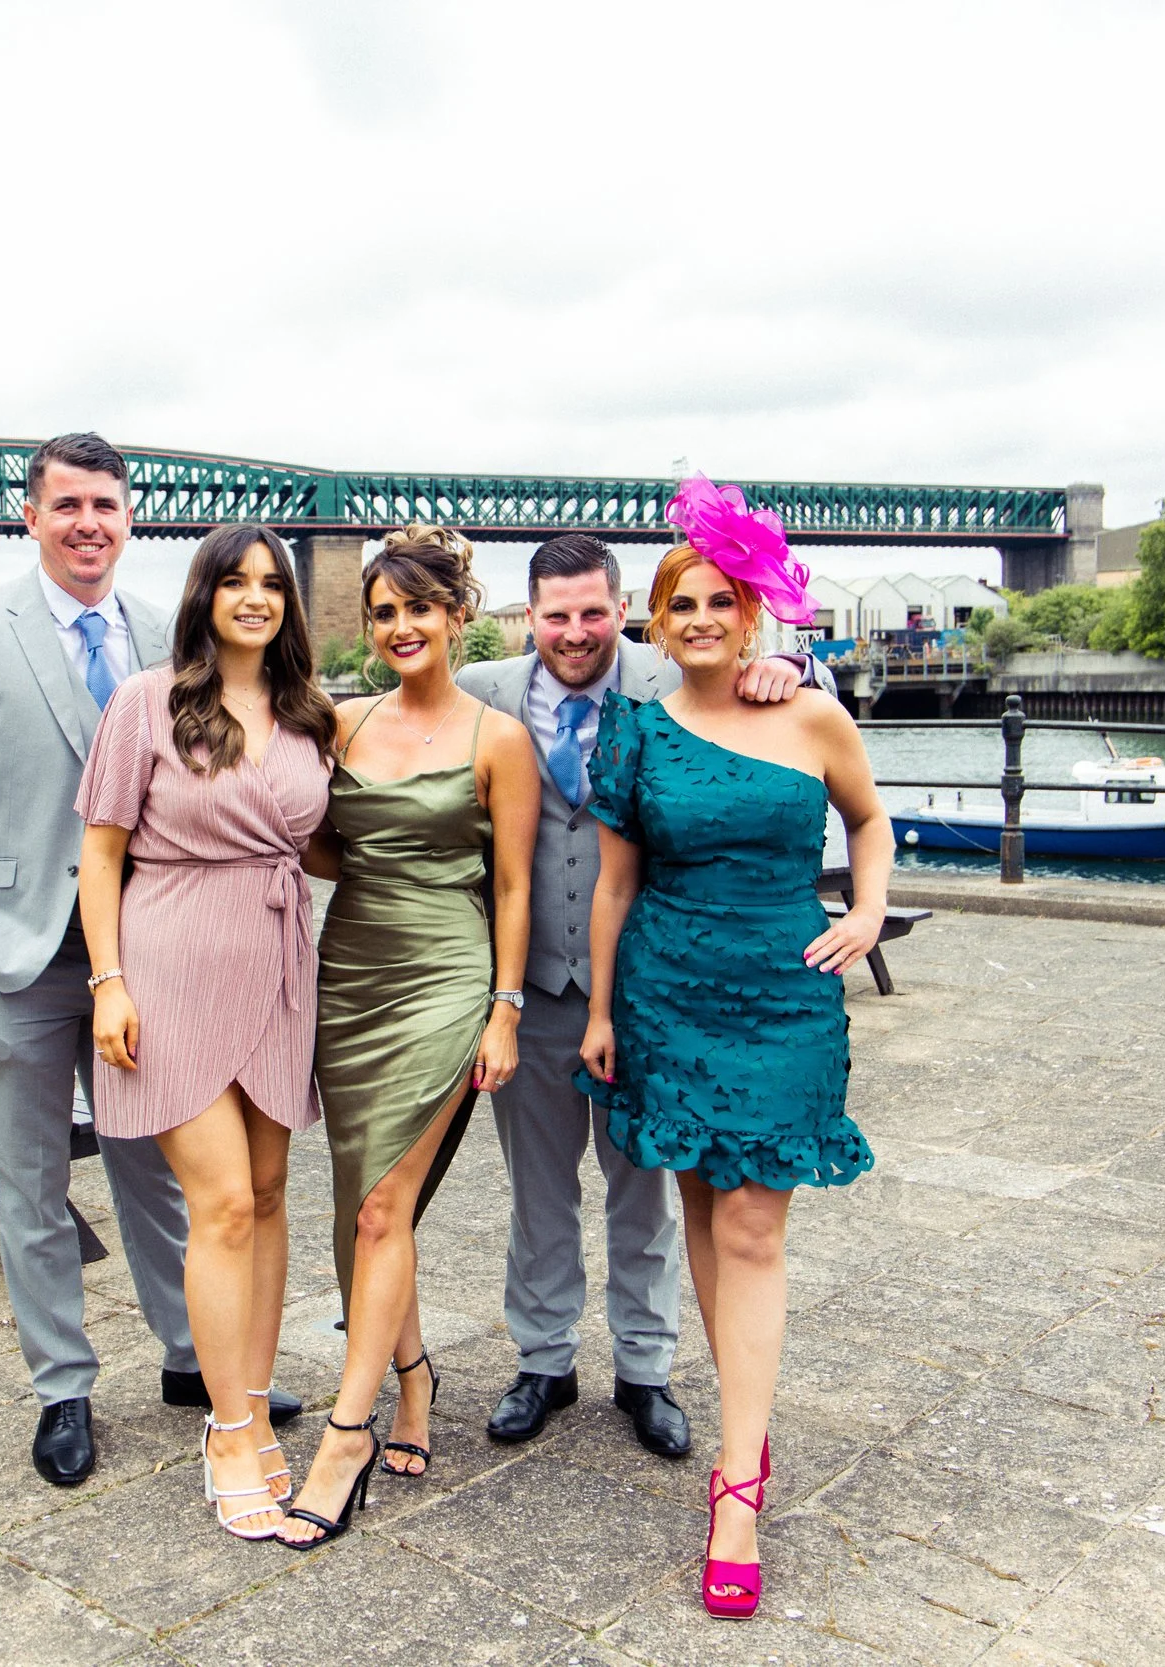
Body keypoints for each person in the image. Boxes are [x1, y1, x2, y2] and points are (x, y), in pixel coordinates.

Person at [0, 432, 297, 1492]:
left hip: (149, 954)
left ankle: (192, 1355)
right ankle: (62, 1383)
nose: (88, 523)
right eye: (66, 504)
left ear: (130, 514)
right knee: (31, 1181)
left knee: (161, 1172)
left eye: (105, 503)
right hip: (13, 952)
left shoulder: (168, 633)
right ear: (32, 515)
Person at [576, 477, 893, 1622]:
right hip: (666, 989)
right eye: (682, 603)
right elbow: (614, 883)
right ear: (655, 623)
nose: (703, 616)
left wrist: (864, 911)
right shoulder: (636, 728)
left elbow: (868, 816)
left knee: (753, 1218)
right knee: (705, 1209)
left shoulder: (809, 713)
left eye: (721, 599)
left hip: (781, 993)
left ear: (753, 613)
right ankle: (737, 1413)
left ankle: (738, 1485)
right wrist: (603, 1012)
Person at [458, 534, 822, 1457]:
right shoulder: (487, 690)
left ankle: (646, 1369)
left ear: (622, 609)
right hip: (533, 983)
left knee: (646, 1190)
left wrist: (791, 657)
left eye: (592, 612)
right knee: (537, 1188)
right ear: (528, 614)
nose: (575, 632)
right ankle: (543, 1359)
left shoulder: (676, 672)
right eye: (555, 615)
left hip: (648, 986)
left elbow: (790, 705)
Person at [277, 524, 540, 1547]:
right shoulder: (341, 726)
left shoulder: (497, 739)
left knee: (384, 1205)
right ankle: (415, 1377)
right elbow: (326, 846)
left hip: (445, 978)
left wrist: (504, 1005)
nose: (399, 627)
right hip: (349, 975)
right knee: (363, 1205)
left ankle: (346, 1434)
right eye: (383, 612)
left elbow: (512, 883)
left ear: (455, 615)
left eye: (417, 609)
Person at [75, 524, 335, 1539]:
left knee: (269, 1197)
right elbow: (99, 854)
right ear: (205, 595)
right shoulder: (147, 701)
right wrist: (108, 981)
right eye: (235, 581)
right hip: (171, 959)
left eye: (273, 583)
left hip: (277, 962)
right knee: (221, 1202)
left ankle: (258, 1405)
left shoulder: (313, 715)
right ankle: (227, 1428)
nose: (256, 596)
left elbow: (442, 707)